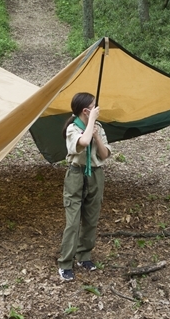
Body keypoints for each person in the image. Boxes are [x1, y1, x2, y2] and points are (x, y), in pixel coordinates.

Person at [57, 92, 111, 281]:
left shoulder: (97, 128)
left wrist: (98, 136)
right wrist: (90, 128)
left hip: (96, 175)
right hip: (76, 174)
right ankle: (65, 263)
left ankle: (84, 256)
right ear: (86, 111)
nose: (97, 109)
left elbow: (104, 155)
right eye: (94, 107)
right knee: (73, 222)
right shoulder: (73, 128)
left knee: (91, 217)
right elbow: (83, 142)